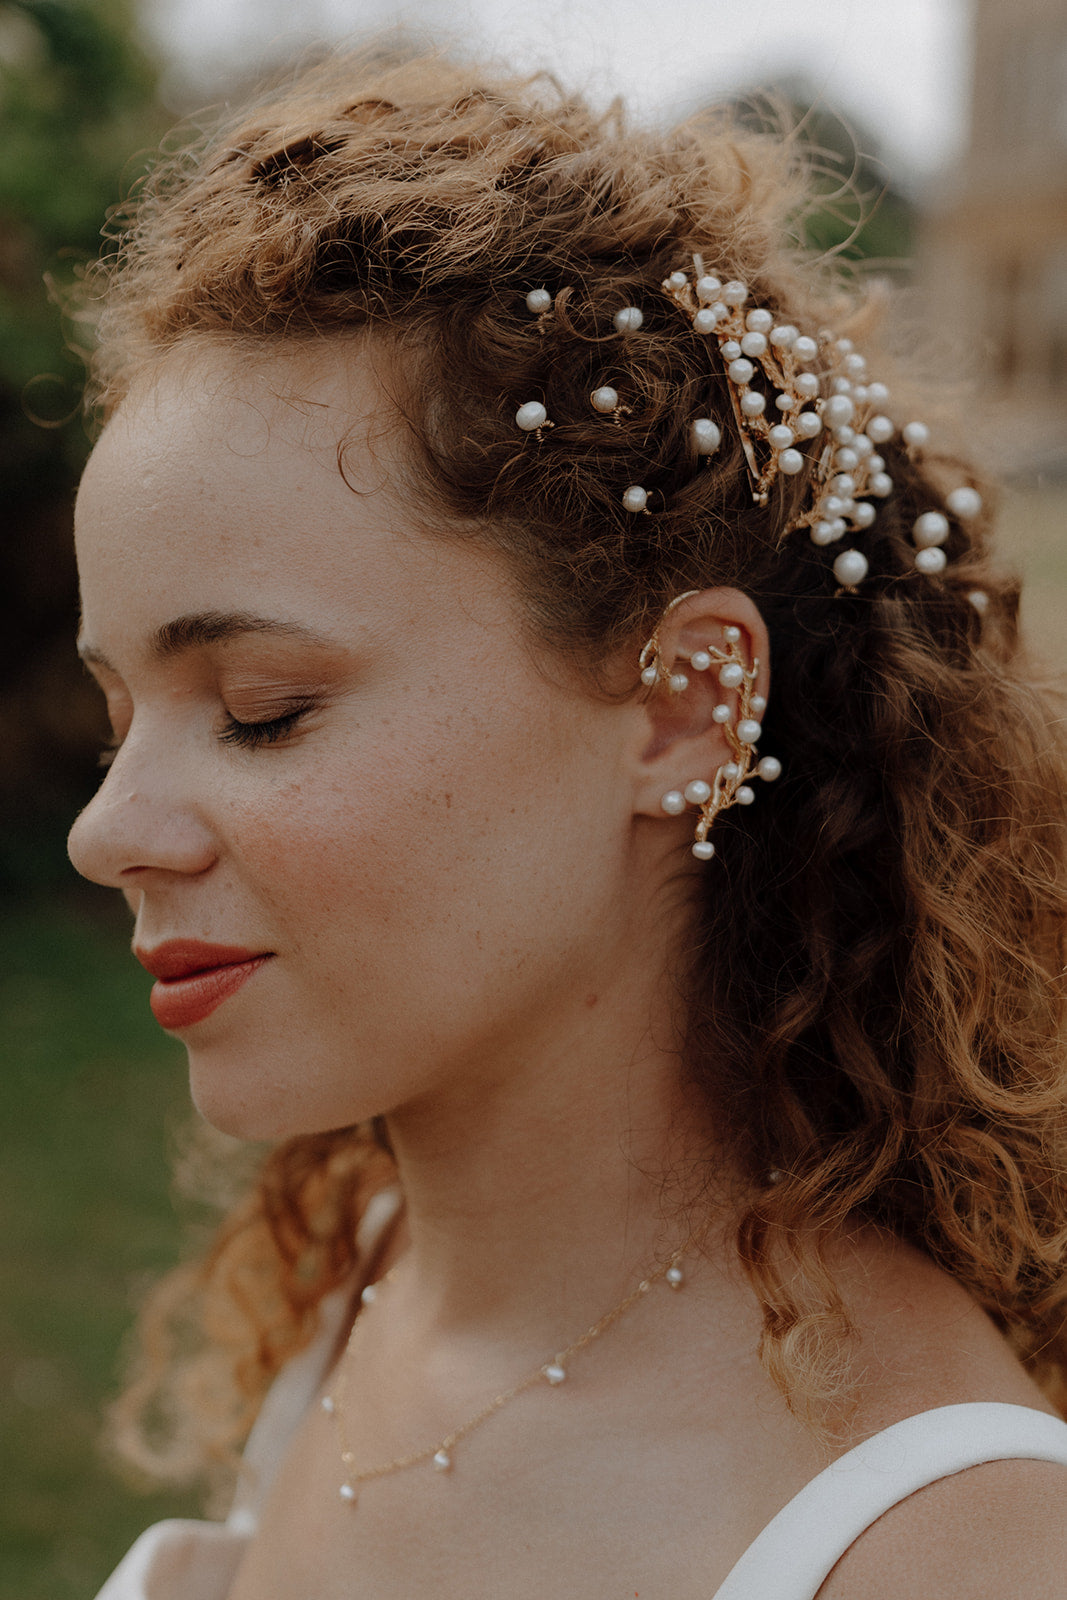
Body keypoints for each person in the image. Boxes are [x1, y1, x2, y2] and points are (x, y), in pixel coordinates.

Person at [66, 47, 1067, 1600]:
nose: (107, 830)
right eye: (118, 719)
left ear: (681, 706)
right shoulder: (369, 1289)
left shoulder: (943, 1550)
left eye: (261, 707)